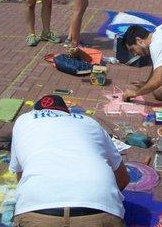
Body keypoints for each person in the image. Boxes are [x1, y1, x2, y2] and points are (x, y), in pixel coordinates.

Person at [10, 94, 129, 226]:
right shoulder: (89, 122)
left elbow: (20, 176)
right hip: (99, 209)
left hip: (36, 209)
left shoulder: (24, 120)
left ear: (35, 111)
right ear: (66, 112)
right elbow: (123, 179)